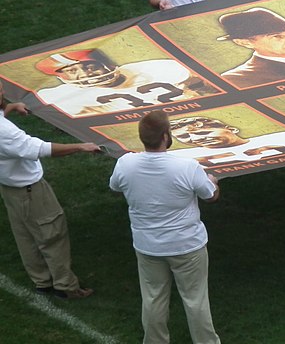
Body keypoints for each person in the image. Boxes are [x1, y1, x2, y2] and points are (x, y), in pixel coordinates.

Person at [109, 110, 221, 344]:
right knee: (195, 300)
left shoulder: (126, 163)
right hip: (187, 246)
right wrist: (213, 182)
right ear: (166, 136)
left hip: (148, 246)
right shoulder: (186, 166)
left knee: (153, 299)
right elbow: (210, 196)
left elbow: (115, 187)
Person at [0, 80, 100, 299]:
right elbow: (41, 149)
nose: (3, 91)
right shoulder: (5, 132)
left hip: (9, 189)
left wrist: (9, 108)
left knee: (24, 234)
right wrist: (80, 146)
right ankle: (66, 286)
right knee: (52, 233)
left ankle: (42, 281)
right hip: (29, 190)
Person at [35, 48, 217, 117]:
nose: (84, 74)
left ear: (107, 64)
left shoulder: (155, 68)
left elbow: (207, 85)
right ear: (62, 77)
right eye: (72, 71)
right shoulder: (59, 96)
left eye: (90, 66)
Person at [167, 116, 285, 167]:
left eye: (203, 132)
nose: (196, 139)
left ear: (232, 129)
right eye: (187, 138)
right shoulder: (179, 157)